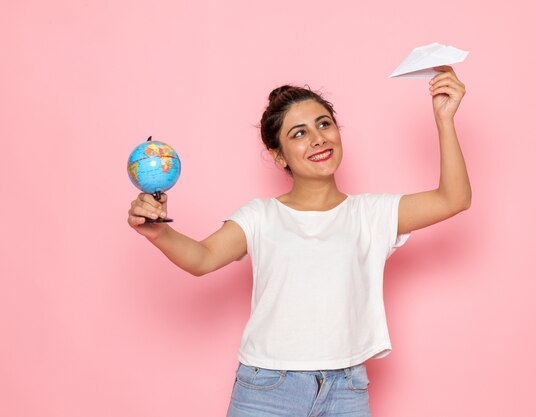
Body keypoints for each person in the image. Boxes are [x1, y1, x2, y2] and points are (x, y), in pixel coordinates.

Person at [127, 65, 470, 417]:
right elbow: (201, 258)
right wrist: (159, 232)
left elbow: (453, 199)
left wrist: (444, 120)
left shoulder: (370, 214)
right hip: (266, 391)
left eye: (324, 124)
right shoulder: (261, 215)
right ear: (279, 156)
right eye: (299, 133)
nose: (318, 138)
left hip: (346, 390)